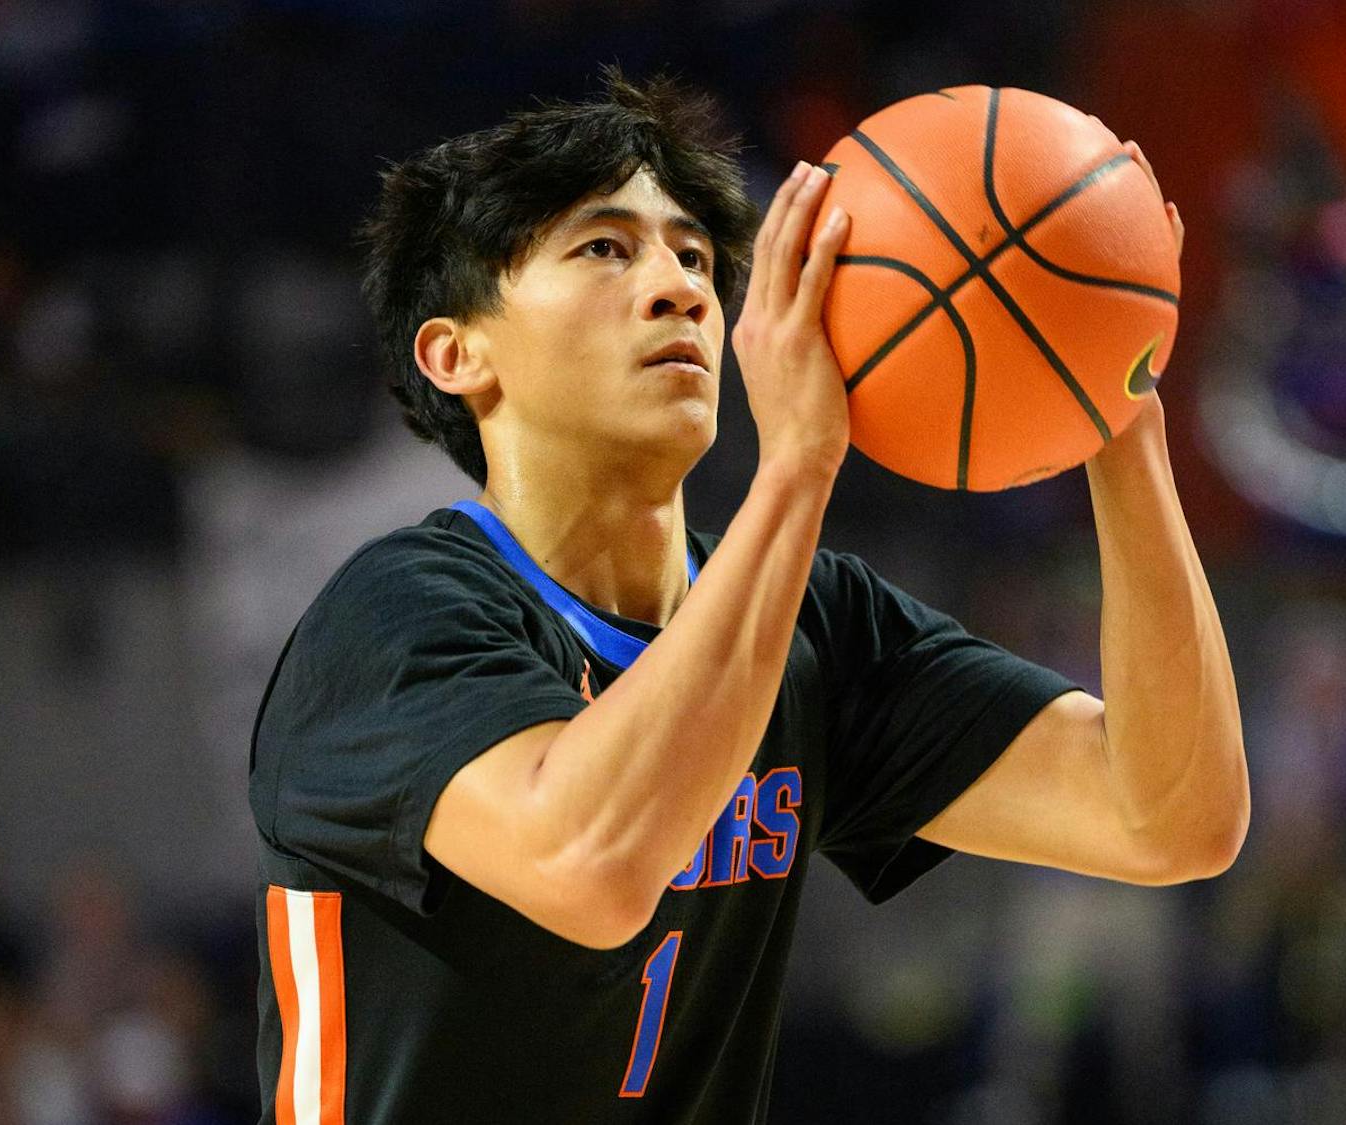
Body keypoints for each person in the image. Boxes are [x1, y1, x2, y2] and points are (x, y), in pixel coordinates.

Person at [248, 66, 1248, 1123]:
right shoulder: (395, 615)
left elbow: (1169, 818)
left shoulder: (809, 619)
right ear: (459, 355)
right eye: (604, 248)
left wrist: (1115, 409)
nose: (681, 286)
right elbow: (592, 863)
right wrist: (798, 468)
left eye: (692, 254)